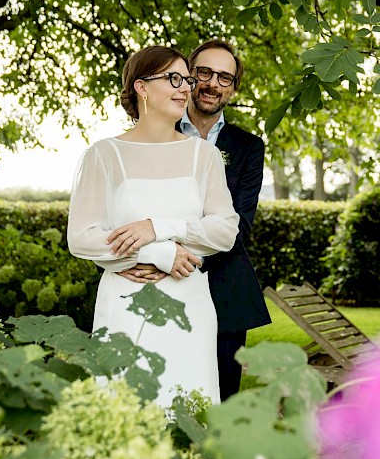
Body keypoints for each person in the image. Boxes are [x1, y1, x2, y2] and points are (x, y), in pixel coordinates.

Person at [67, 45, 239, 408]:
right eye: (174, 79)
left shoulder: (203, 155)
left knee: (189, 413)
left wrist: (157, 226)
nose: (185, 89)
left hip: (189, 303)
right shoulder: (103, 155)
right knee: (125, 410)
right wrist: (159, 252)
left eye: (186, 80)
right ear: (142, 87)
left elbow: (225, 230)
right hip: (125, 304)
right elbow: (82, 238)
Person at [123, 39, 272, 399]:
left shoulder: (249, 147)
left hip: (224, 290)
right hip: (149, 286)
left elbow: (239, 225)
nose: (212, 83)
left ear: (233, 89)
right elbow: (124, 211)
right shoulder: (148, 135)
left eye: (225, 77)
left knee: (219, 401)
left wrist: (178, 258)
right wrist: (151, 258)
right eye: (203, 72)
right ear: (187, 78)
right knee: (154, 393)